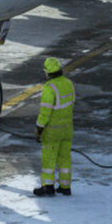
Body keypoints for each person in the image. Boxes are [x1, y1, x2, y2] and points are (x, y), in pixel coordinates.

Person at [34, 57, 75, 197]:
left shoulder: (50, 88)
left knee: (49, 160)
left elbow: (45, 112)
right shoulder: (68, 83)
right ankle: (65, 186)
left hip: (52, 131)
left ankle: (48, 187)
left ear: (47, 72)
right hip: (67, 129)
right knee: (64, 158)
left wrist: (39, 128)